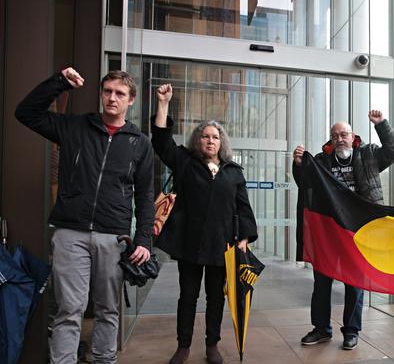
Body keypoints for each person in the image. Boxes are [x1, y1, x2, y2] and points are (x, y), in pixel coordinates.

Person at [14, 67, 154, 363]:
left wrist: (143, 239)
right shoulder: (75, 127)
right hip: (70, 233)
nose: (111, 98)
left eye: (119, 94)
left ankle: (104, 360)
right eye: (107, 92)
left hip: (114, 237)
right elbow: (25, 112)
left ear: (131, 100)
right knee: (68, 310)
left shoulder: (139, 143)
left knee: (107, 309)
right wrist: (59, 83)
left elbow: (145, 197)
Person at [151, 84, 258, 364]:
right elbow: (162, 143)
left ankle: (212, 345)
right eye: (205, 136)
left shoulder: (233, 173)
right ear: (197, 141)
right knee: (187, 297)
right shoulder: (185, 162)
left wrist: (244, 237)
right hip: (190, 244)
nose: (210, 140)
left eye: (215, 137)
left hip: (220, 246)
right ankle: (183, 346)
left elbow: (243, 207)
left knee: (215, 298)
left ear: (222, 143)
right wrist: (163, 104)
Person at [292, 110, 394, 350]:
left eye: (344, 134)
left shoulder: (368, 156)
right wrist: (298, 165)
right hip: (329, 232)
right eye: (335, 135)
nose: (339, 139)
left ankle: (351, 331)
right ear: (330, 140)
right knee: (321, 282)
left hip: (360, 232)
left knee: (355, 283)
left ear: (353, 137)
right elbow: (305, 182)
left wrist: (381, 124)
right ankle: (321, 329)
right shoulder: (321, 161)